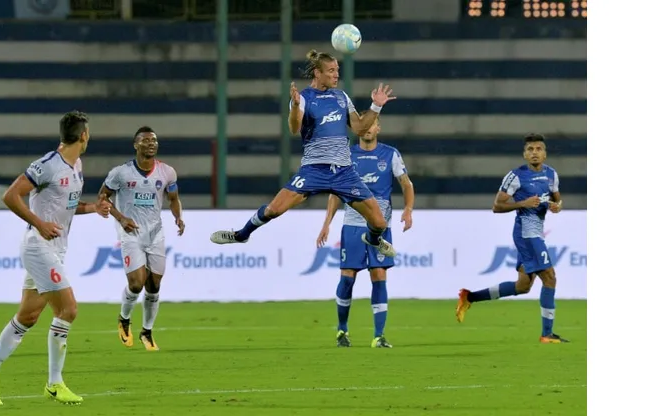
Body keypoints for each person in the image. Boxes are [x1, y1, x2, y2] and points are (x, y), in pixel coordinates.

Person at [0, 111, 111, 406]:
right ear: (84, 135)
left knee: (28, 316)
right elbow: (11, 195)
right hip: (38, 247)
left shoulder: (76, 166)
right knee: (68, 310)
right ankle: (54, 383)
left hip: (55, 248)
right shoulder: (48, 165)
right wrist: (39, 223)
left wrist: (93, 209)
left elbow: (68, 205)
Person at [209, 49, 397, 259]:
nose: (337, 75)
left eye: (337, 70)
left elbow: (360, 128)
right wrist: (295, 107)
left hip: (344, 172)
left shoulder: (341, 97)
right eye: (331, 70)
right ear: (317, 73)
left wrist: (376, 106)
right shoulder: (304, 98)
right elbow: (294, 128)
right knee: (273, 210)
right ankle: (241, 235)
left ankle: (373, 239)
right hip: (314, 170)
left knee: (379, 223)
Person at [455, 133, 568, 344]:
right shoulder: (516, 176)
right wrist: (522, 203)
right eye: (530, 149)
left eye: (538, 149)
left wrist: (556, 207)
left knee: (523, 286)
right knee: (550, 277)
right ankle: (547, 334)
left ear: (545, 153)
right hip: (526, 233)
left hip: (536, 232)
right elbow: (497, 206)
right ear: (524, 154)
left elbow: (558, 202)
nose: (534, 153)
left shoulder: (551, 174)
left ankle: (469, 297)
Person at [316, 113, 414, 348]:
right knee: (347, 276)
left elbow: (406, 184)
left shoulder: (390, 154)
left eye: (373, 124)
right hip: (353, 225)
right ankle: (342, 330)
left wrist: (408, 209)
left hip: (380, 226)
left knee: (379, 275)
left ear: (378, 128)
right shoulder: (346, 156)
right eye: (365, 125)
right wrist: (327, 223)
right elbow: (335, 192)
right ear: (358, 129)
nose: (369, 128)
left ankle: (379, 336)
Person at [97, 126, 184, 351]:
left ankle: (147, 331)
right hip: (131, 233)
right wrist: (121, 218)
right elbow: (103, 197)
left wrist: (178, 217)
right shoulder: (121, 173)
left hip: (155, 234)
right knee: (136, 284)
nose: (151, 143)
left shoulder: (167, 172)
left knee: (154, 285)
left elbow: (173, 198)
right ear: (136, 145)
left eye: (154, 140)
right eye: (146, 140)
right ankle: (124, 318)